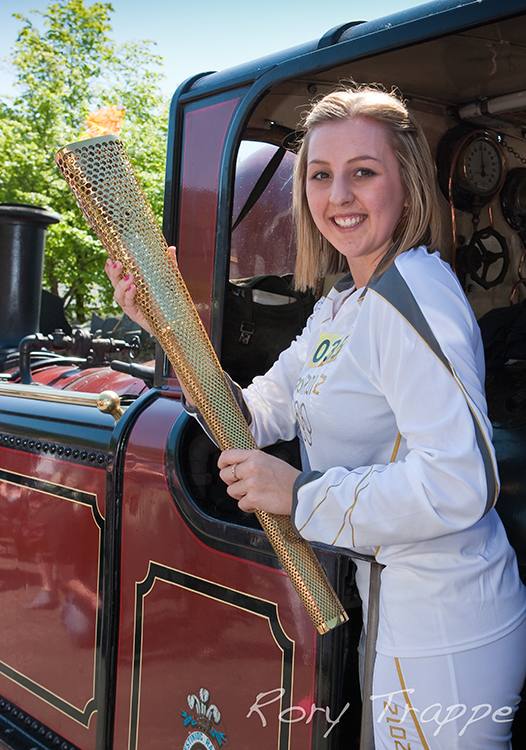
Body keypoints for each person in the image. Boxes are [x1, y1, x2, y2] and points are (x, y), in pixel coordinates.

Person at [107, 84, 526, 750]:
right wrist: (163, 322)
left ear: (408, 183)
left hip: (445, 624)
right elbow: (253, 411)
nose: (338, 196)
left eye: (364, 172)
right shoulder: (343, 305)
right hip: (392, 604)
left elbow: (460, 484)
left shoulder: (410, 295)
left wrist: (297, 494)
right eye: (320, 176)